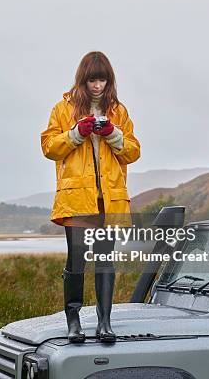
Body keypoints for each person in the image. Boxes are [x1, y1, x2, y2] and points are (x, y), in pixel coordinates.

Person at [40, 51, 141, 343]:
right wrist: (75, 133)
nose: (97, 85)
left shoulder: (118, 112)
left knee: (105, 261)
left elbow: (134, 151)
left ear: (109, 81)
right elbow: (49, 148)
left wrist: (112, 133)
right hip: (75, 201)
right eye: (92, 79)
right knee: (76, 264)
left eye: (102, 79)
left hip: (107, 201)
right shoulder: (63, 108)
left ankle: (104, 323)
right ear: (82, 80)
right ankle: (73, 323)